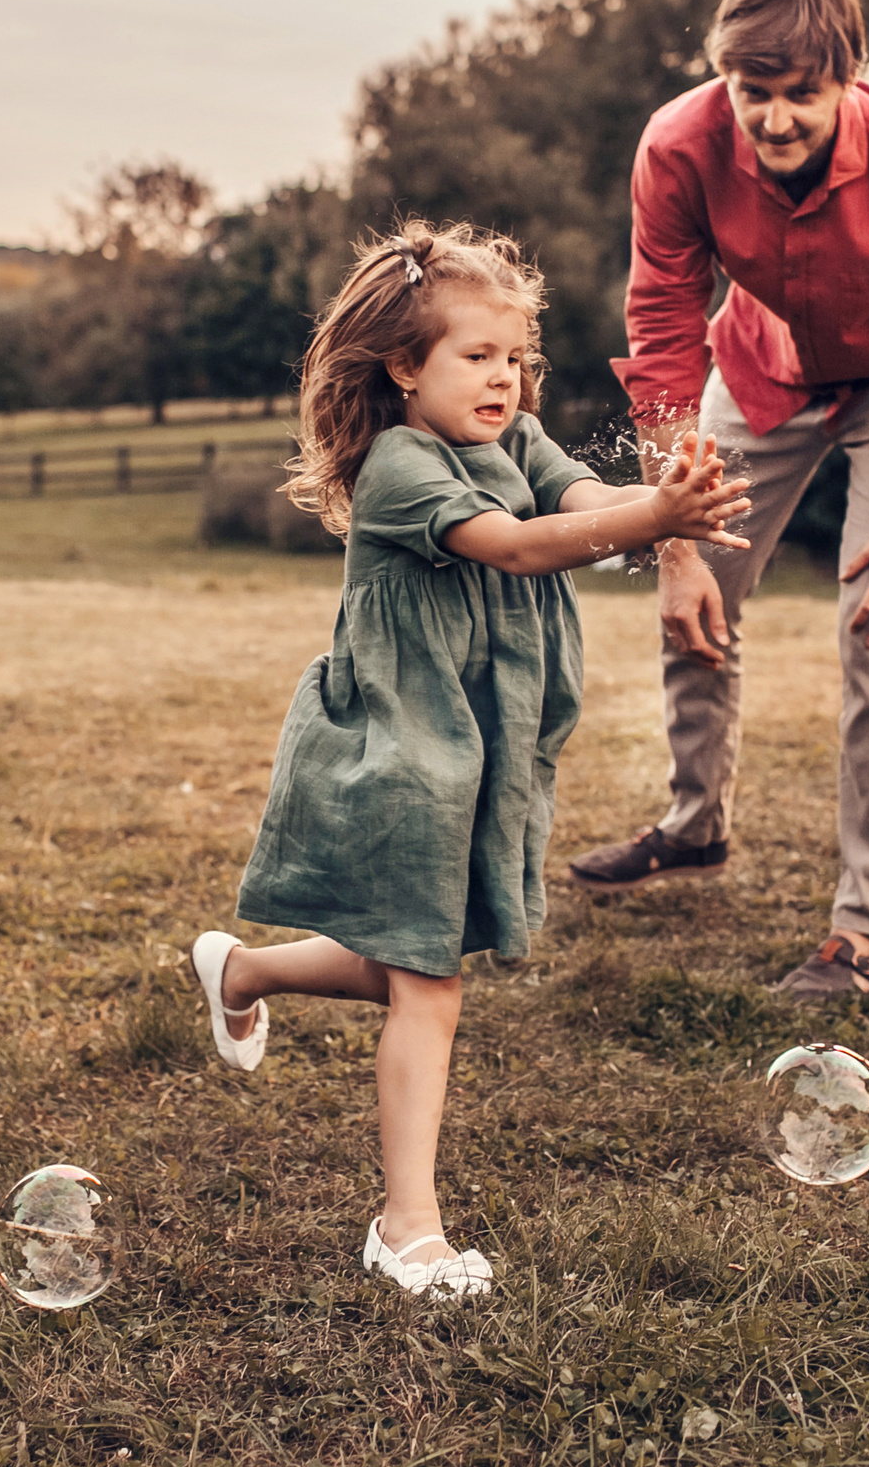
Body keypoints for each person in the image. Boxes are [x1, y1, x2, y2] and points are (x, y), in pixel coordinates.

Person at [190, 222, 751, 1300]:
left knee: (417, 955)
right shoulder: (402, 465)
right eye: (475, 356)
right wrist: (652, 516)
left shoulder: (514, 439)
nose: (503, 378)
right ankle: (407, 1228)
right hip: (407, 735)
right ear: (405, 367)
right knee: (430, 982)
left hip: (483, 736)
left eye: (513, 356)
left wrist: (646, 513)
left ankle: (245, 969)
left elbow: (571, 502)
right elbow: (517, 544)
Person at [564, 0, 869, 1003]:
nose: (774, 121)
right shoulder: (678, 146)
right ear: (723, 83)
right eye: (753, 95)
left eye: (800, 96)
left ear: (848, 80)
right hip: (761, 369)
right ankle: (694, 826)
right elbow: (660, 337)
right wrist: (674, 541)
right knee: (692, 602)